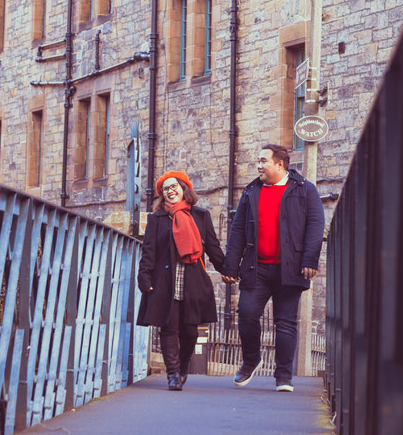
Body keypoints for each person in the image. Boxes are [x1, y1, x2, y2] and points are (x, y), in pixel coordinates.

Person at [222, 144, 325, 393]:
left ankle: (283, 376)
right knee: (246, 313)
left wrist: (310, 260)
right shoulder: (250, 192)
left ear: (280, 164)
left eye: (263, 160)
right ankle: (251, 360)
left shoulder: (305, 190)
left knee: (285, 323)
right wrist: (230, 265)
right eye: (258, 160)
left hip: (290, 269)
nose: (259, 165)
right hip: (256, 268)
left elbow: (316, 224)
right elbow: (237, 231)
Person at [137, 170, 224, 391]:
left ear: (184, 188)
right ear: (162, 195)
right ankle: (173, 374)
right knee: (168, 328)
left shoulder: (201, 216)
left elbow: (212, 248)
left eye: (174, 186)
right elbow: (148, 251)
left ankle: (183, 366)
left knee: (190, 330)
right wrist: (144, 277)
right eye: (166, 189)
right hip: (166, 281)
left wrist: (228, 269)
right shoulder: (156, 219)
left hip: (192, 279)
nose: (170, 191)